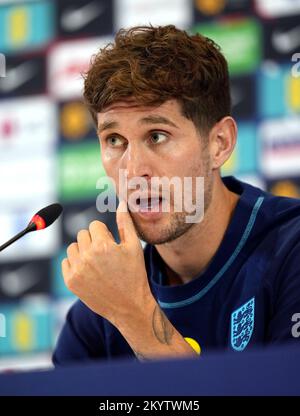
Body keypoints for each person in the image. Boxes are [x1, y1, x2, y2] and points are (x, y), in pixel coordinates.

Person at [53, 25, 300, 365]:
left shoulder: (292, 253)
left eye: (156, 135)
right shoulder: (97, 313)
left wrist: (133, 314)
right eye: (114, 140)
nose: (133, 169)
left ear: (220, 144)